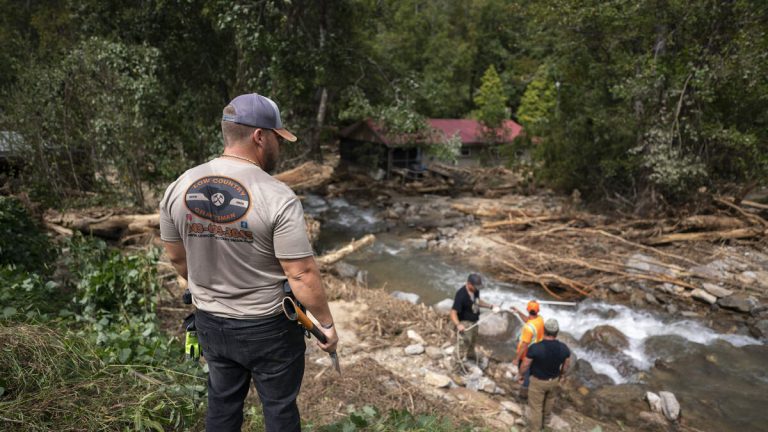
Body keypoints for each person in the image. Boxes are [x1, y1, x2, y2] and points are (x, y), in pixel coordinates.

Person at [159, 93, 338, 432]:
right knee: (280, 411)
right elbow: (299, 272)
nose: (279, 147)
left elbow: (176, 257)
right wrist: (325, 325)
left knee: (222, 406)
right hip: (268, 330)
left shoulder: (178, 186)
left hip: (210, 323)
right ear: (259, 136)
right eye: (277, 138)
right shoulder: (277, 195)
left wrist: (209, 290)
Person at [517, 318, 571, 432]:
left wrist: (521, 375)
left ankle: (535, 429)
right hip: (554, 380)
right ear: (557, 332)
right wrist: (561, 375)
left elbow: (525, 365)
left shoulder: (535, 348)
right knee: (549, 400)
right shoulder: (564, 348)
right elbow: (566, 366)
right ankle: (546, 422)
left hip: (538, 382)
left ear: (544, 330)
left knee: (536, 407)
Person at [449, 273, 500, 364]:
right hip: (464, 322)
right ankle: (454, 366)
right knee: (463, 344)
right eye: (475, 286)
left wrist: (490, 306)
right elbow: (453, 312)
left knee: (473, 340)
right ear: (469, 284)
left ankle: (470, 355)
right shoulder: (461, 295)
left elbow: (477, 301)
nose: (477, 288)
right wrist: (458, 325)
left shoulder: (475, 290)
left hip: (474, 321)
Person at [512, 300, 545, 399]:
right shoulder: (540, 319)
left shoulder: (528, 328)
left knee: (525, 371)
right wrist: (518, 312)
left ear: (527, 309)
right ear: (538, 310)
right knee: (531, 372)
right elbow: (528, 320)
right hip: (537, 350)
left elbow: (524, 344)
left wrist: (517, 359)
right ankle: (528, 386)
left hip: (527, 353)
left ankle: (524, 394)